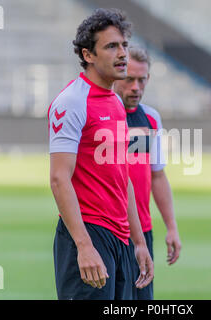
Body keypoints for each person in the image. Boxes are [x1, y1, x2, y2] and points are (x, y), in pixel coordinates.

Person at [48, 9, 153, 300]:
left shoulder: (116, 103)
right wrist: (83, 246)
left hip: (121, 239)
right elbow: (59, 179)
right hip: (89, 234)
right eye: (111, 46)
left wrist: (139, 242)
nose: (122, 54)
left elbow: (125, 178)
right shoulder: (71, 102)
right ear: (88, 55)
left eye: (124, 45)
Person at [114, 47, 182, 300]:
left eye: (141, 80)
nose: (136, 87)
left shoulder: (150, 119)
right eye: (129, 79)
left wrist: (171, 227)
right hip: (108, 231)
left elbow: (157, 176)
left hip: (142, 230)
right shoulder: (101, 117)